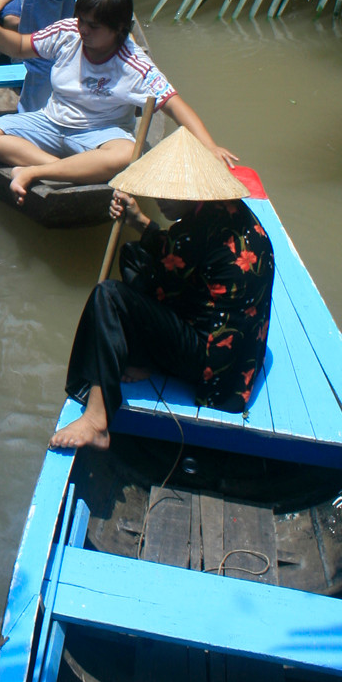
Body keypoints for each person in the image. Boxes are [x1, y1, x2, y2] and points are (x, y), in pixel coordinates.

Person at [51, 128, 274, 451]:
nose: (158, 199)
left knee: (108, 297)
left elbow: (159, 284)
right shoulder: (225, 211)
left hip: (212, 365)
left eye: (167, 193)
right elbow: (171, 254)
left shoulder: (194, 235)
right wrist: (139, 220)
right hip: (231, 354)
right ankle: (148, 362)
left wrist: (124, 322)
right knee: (134, 254)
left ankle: (98, 419)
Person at [0, 0, 237, 205]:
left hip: (99, 134)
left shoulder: (133, 63)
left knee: (126, 155)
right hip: (50, 122)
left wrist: (209, 146)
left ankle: (36, 171)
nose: (83, 29)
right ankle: (66, 169)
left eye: (94, 26)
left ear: (118, 29)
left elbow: (173, 103)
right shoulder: (68, 33)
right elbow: (19, 46)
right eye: (81, 21)